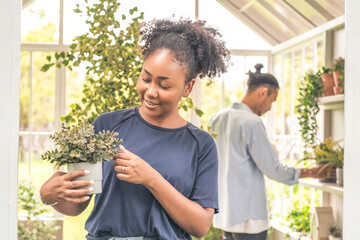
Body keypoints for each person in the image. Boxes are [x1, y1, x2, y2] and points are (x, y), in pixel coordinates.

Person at [40, 18, 230, 240]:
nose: (150, 91)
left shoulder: (200, 145)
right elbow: (76, 206)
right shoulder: (106, 126)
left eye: (164, 85)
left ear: (187, 87)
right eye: (146, 78)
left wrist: (150, 178)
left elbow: (200, 227)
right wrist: (49, 196)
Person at [209, 64, 326, 240]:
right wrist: (310, 172)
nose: (270, 108)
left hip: (224, 215)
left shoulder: (216, 118)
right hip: (249, 217)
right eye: (272, 100)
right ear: (263, 92)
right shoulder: (252, 122)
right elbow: (273, 169)